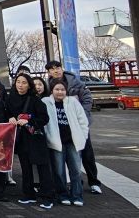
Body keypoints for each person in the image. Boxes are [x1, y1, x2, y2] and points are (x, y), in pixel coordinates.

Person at [46, 60, 101, 194]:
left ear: (62, 68)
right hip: (61, 126)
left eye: (57, 67)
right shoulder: (48, 86)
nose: (55, 71)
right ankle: (75, 183)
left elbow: (87, 98)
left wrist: (82, 115)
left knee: (87, 154)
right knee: (65, 157)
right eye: (52, 69)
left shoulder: (75, 82)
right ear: (49, 72)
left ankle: (94, 182)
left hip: (78, 125)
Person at [6, 72, 55, 209]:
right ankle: (28, 194)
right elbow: (7, 112)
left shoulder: (35, 100)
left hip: (35, 138)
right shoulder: (10, 99)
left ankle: (48, 196)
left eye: (24, 83)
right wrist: (9, 117)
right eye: (18, 82)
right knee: (25, 168)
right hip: (21, 139)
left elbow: (44, 118)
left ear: (29, 85)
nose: (20, 85)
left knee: (42, 167)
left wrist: (29, 121)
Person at [43, 79, 90, 207]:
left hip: (73, 142)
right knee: (59, 171)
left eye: (62, 89)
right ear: (52, 90)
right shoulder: (46, 102)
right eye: (57, 89)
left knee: (76, 171)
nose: (60, 92)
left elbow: (83, 121)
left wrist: (83, 137)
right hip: (56, 142)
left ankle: (77, 196)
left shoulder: (73, 102)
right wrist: (48, 138)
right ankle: (62, 195)